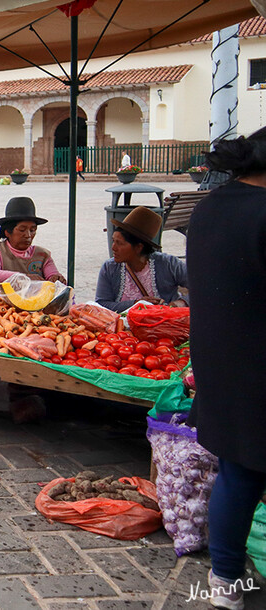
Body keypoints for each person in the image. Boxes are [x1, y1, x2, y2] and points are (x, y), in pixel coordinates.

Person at [187, 128, 266, 610]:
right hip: (258, 359)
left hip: (219, 358)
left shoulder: (209, 206)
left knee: (239, 472)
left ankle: (225, 583)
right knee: (243, 473)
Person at [94, 207, 187, 312]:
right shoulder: (109, 268)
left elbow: (202, 285)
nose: (113, 248)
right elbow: (101, 304)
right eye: (113, 241)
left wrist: (181, 302)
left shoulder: (169, 264)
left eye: (119, 243)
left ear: (139, 247)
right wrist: (136, 304)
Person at [0, 197, 66, 288]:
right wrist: (24, 277)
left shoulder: (42, 254)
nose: (28, 235)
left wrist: (56, 278)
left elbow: (52, 275)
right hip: (1, 300)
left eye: (32, 230)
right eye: (22, 230)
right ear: (7, 232)